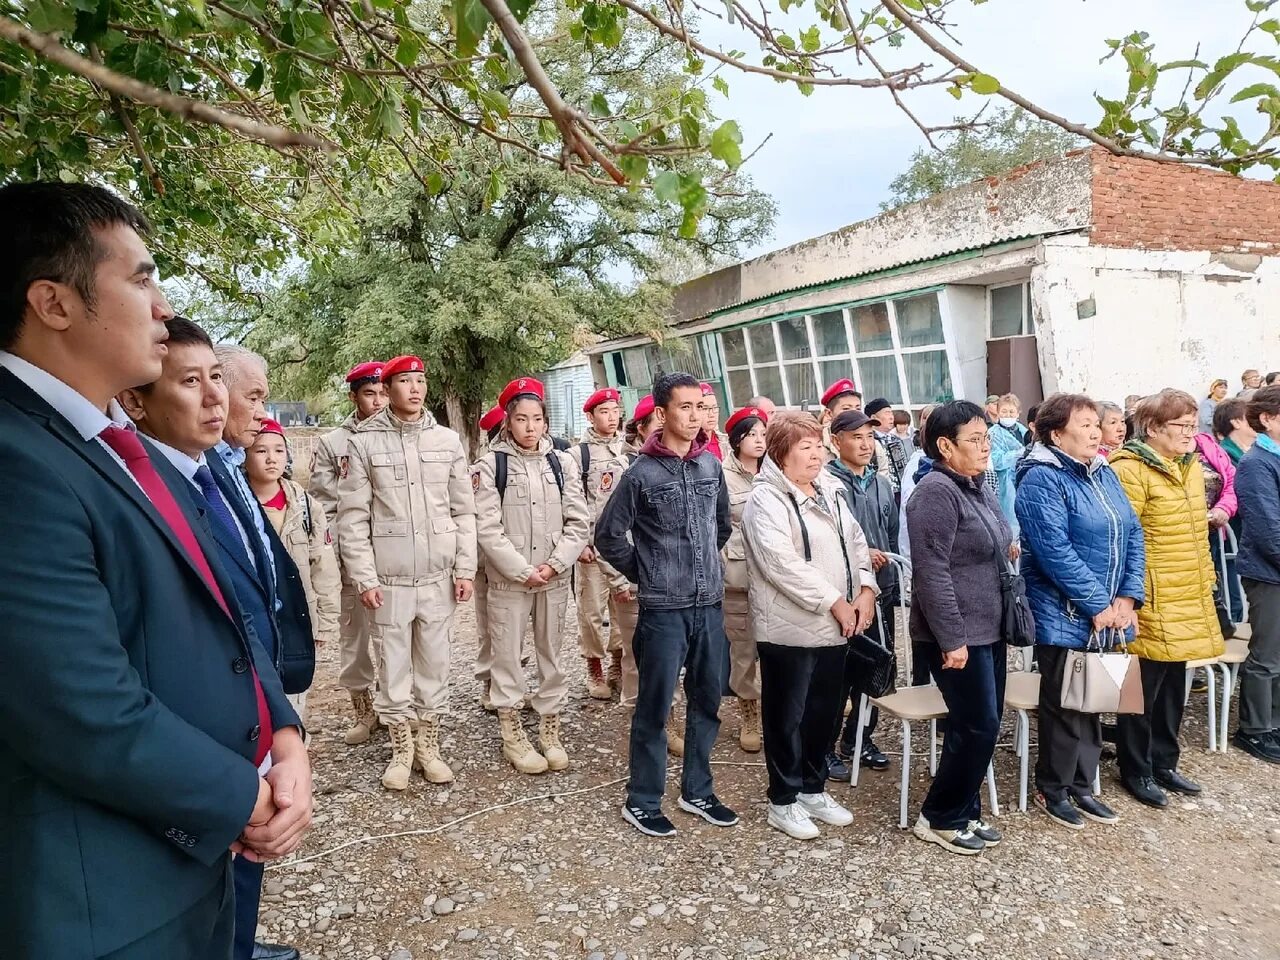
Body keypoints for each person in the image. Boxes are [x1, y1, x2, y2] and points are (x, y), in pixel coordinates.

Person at [0, 184, 308, 959]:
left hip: (191, 858)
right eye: (140, 279)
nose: (163, 308)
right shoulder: (16, 459)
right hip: (104, 895)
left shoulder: (122, 448)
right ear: (54, 302)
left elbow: (227, 615)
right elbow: (77, 706)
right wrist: (241, 794)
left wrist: (286, 735)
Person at [596, 372, 736, 838]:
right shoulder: (640, 473)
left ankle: (697, 790)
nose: (695, 417)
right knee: (655, 708)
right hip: (662, 609)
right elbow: (608, 535)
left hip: (708, 606)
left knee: (708, 700)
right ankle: (643, 799)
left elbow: (720, 526)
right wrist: (648, 570)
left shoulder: (710, 467)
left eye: (700, 407)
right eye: (685, 408)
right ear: (661, 413)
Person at [211, 341, 316, 960]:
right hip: (233, 681)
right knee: (238, 827)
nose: (261, 409)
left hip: (258, 675)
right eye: (253, 395)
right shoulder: (204, 470)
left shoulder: (223, 467)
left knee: (251, 833)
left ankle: (240, 942)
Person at [337, 355, 477, 791]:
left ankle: (429, 745)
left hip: (437, 578)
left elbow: (463, 511)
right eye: (404, 382)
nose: (415, 389)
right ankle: (402, 749)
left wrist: (465, 567)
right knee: (393, 666)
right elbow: (352, 518)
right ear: (389, 387)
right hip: (390, 581)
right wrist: (365, 577)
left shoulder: (448, 441)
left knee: (435, 666)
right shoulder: (364, 444)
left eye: (420, 381)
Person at [742, 413, 877, 839]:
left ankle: (813, 788)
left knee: (826, 710)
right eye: (805, 446)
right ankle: (782, 799)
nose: (816, 453)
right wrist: (835, 600)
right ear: (781, 454)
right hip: (789, 628)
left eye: (819, 444)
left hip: (838, 625)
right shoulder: (765, 500)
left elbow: (855, 543)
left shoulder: (831, 490)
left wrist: (866, 589)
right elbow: (780, 563)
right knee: (787, 715)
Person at [1014, 394, 1145, 829]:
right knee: (1064, 704)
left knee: (1099, 699)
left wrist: (1128, 597)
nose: (1096, 432)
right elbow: (1053, 551)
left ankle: (1084, 784)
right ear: (1056, 434)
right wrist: (1097, 603)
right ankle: (1053, 788)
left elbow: (1133, 532)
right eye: (1085, 425)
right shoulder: (1041, 478)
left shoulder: (1103, 471)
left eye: (1097, 424)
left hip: (1110, 613)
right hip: (1065, 613)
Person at [906, 400, 1012, 856]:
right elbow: (931, 573)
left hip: (989, 625)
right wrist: (952, 639)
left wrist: (1004, 550)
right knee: (976, 724)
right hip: (957, 634)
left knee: (983, 724)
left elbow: (994, 536)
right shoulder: (934, 493)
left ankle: (964, 809)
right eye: (975, 439)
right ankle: (939, 816)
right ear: (945, 446)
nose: (985, 446)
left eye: (987, 437)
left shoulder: (976, 484)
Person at [1110, 389, 1224, 807]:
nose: (1190, 434)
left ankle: (1164, 761)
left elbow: (1195, 533)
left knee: (1175, 683)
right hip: (1150, 594)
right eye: (1181, 426)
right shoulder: (1130, 468)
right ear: (1153, 428)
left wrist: (1206, 579)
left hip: (1185, 591)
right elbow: (1124, 537)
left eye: (1194, 426)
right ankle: (1135, 769)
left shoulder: (1189, 466)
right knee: (1138, 689)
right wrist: (1129, 595)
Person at [472, 378, 590, 774]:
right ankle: (512, 733)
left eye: (537, 419)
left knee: (552, 654)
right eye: (521, 419)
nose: (530, 427)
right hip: (510, 581)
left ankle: (549, 727)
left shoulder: (563, 462)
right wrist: (522, 569)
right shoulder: (490, 466)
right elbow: (487, 529)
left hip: (553, 579)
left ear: (545, 421)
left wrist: (556, 564)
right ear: (507, 421)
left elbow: (579, 520)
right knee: (506, 655)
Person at [309, 362, 388, 743]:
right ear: (354, 396)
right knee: (354, 636)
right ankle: (363, 708)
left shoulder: (396, 437)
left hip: (391, 553)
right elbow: (325, 505)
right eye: (369, 394)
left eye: (382, 393)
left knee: (392, 634)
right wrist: (341, 554)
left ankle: (396, 708)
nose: (377, 401)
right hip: (349, 554)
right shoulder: (332, 444)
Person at [246, 418, 342, 721]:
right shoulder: (236, 504)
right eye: (261, 450)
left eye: (278, 450)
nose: (271, 458)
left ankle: (295, 744)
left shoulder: (306, 507)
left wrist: (325, 621)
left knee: (294, 688)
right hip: (254, 615)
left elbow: (323, 566)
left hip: (299, 614)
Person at [824, 409, 902, 776]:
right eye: (855, 437)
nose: (864, 444)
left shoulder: (882, 484)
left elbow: (890, 532)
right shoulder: (827, 483)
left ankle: (860, 739)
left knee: (875, 670)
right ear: (836, 441)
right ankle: (825, 748)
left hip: (879, 592)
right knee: (838, 676)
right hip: (842, 597)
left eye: (869, 437)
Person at [569, 387, 631, 700]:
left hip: (622, 545)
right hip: (591, 548)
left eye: (614, 410)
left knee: (623, 606)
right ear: (591, 416)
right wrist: (579, 543)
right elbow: (573, 503)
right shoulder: (578, 455)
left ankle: (617, 662)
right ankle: (594, 666)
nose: (611, 417)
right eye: (603, 412)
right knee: (591, 611)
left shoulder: (629, 449)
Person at [1231, 385, 1280, 762]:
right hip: (1269, 573)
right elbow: (1267, 530)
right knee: (1266, 655)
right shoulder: (1256, 463)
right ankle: (1255, 729)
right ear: (1267, 419)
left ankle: (1274, 723)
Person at [722, 404, 769, 753]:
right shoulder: (721, 476)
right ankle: (749, 711)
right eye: (751, 434)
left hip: (774, 575)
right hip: (737, 574)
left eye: (763, 434)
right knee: (743, 648)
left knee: (778, 647)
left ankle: (778, 710)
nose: (758, 441)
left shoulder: (775, 473)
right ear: (737, 440)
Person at [473, 402, 505, 711]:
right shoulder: (485, 467)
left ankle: (510, 680)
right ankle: (489, 682)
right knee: (488, 626)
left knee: (515, 629)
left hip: (523, 561)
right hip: (488, 564)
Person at [989, 393, 1028, 535]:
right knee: (1009, 525)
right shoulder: (993, 434)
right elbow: (996, 461)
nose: (1008, 415)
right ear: (998, 412)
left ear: (1018, 413)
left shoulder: (1024, 432)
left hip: (1024, 480)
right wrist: (1017, 454)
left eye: (1011, 411)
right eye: (1004, 411)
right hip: (1005, 484)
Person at [866, 397, 907, 492]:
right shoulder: (869, 440)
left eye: (891, 413)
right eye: (887, 413)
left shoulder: (895, 439)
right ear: (873, 418)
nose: (891, 417)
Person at [1214, 398, 1256, 466]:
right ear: (1236, 423)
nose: (1258, 421)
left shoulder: (1255, 448)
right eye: (1252, 417)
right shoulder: (1224, 456)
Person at [699, 382, 727, 460]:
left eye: (714, 407)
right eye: (705, 408)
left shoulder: (726, 442)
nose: (711, 414)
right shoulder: (689, 447)